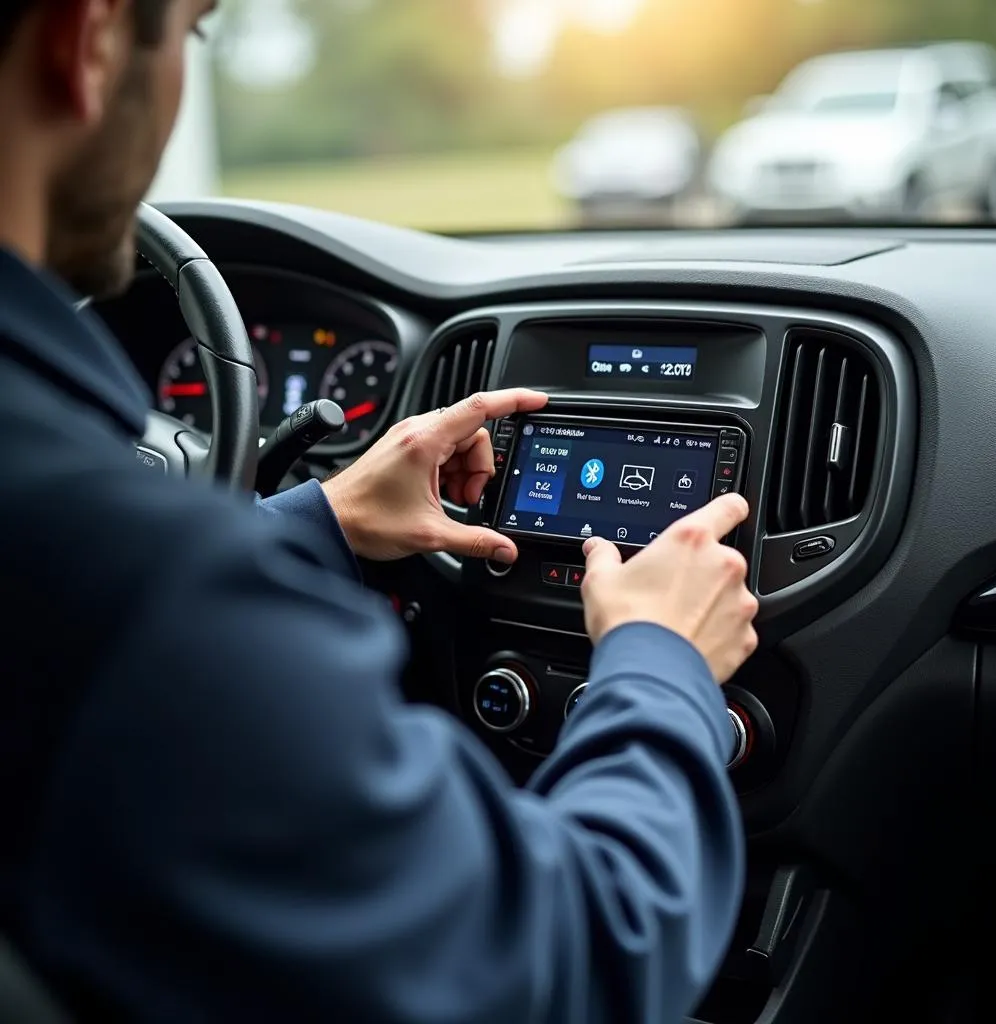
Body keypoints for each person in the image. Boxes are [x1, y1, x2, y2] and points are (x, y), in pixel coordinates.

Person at [0, 1, 760, 1022]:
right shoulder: (144, 595)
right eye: (193, 31)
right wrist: (661, 662)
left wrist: (315, 519)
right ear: (87, 40)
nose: (181, 74)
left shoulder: (88, 559)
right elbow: (573, 962)